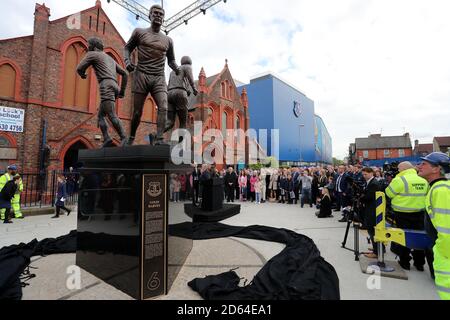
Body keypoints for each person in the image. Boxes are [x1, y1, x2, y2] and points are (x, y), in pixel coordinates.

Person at [122, 4, 181, 146]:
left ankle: (159, 138)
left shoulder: (168, 40)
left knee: (164, 107)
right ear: (149, 15)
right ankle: (131, 137)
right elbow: (127, 48)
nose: (158, 16)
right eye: (155, 13)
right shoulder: (139, 32)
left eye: (161, 14)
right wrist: (127, 60)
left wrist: (177, 69)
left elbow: (171, 60)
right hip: (141, 75)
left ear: (163, 18)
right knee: (137, 112)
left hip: (159, 78)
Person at [77, 37, 127, 147]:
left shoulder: (92, 54)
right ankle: (107, 138)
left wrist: (82, 74)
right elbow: (125, 74)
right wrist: (122, 91)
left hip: (106, 85)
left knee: (112, 115)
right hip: (115, 86)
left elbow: (79, 68)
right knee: (100, 116)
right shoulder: (111, 59)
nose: (88, 47)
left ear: (94, 47)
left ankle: (124, 137)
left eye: (89, 45)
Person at [418, 152, 450, 300]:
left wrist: (441, 253)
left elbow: (446, 229)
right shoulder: (438, 187)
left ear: (436, 169)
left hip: (446, 255)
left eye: (424, 163)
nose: (419, 166)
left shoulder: (440, 190)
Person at [385, 162, 429, 271]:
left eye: (399, 169)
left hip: (402, 214)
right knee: (419, 238)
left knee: (403, 238)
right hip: (420, 213)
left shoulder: (399, 180)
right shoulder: (423, 180)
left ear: (403, 169)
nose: (398, 171)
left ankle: (405, 262)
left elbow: (388, 193)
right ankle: (419, 263)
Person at [164, 56, 198, 136]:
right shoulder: (187, 66)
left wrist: (188, 90)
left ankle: (156, 134)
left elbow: (171, 84)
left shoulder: (173, 71)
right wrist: (194, 88)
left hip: (169, 94)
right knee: (183, 122)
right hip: (180, 93)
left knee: (170, 122)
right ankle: (181, 144)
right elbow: (190, 79)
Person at [360, 167, 382, 259]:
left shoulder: (373, 184)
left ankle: (377, 252)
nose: (364, 176)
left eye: (365, 174)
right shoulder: (370, 182)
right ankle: (377, 248)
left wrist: (361, 197)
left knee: (372, 230)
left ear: (371, 173)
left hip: (373, 210)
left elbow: (369, 197)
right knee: (372, 230)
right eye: (363, 174)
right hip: (371, 209)